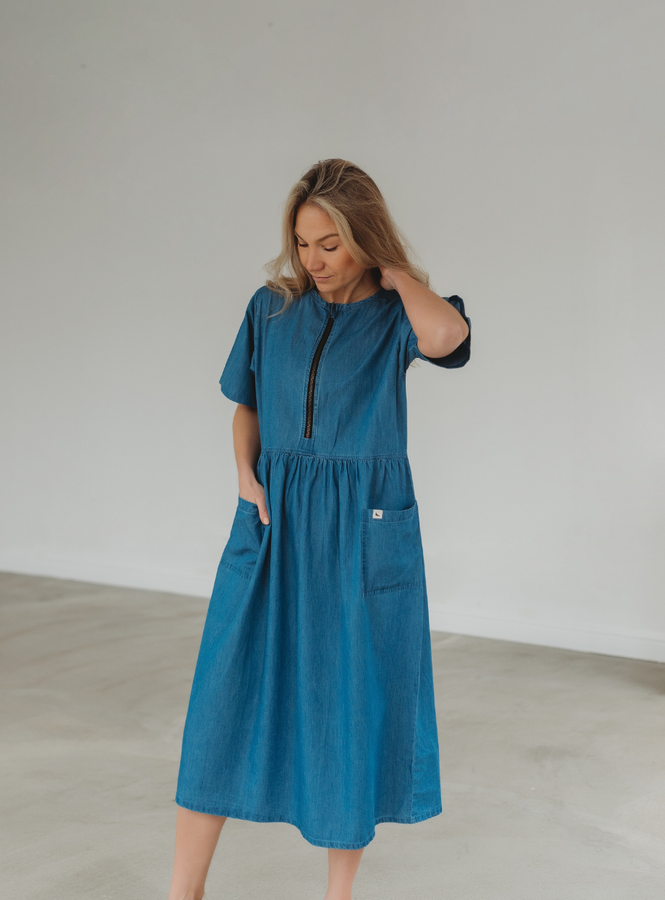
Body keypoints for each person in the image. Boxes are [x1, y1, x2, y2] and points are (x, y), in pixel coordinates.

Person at [167, 159, 471, 900]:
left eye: (331, 243)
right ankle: (183, 891)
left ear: (363, 238)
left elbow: (449, 336)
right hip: (271, 521)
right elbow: (245, 403)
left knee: (347, 706)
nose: (314, 261)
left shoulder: (398, 316)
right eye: (303, 244)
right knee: (221, 703)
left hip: (360, 528)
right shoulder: (269, 308)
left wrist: (394, 272)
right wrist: (246, 473)